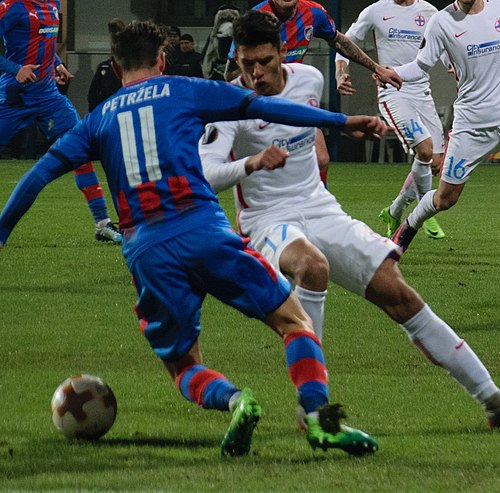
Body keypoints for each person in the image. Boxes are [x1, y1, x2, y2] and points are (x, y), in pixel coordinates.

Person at [0, 18, 399, 457]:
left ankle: (236, 400)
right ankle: (320, 420)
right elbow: (267, 108)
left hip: (147, 250)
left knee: (183, 366)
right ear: (162, 61)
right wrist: (340, 121)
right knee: (294, 321)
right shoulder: (184, 88)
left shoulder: (96, 120)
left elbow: (35, 178)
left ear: (115, 68)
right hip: (204, 229)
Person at [198, 10, 500, 430]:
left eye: (264, 61)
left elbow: (306, 120)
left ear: (282, 53)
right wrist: (250, 163)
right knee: (312, 267)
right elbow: (207, 173)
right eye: (247, 64)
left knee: (400, 296)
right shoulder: (228, 103)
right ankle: (313, 408)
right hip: (267, 221)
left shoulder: (308, 79)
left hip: (320, 208)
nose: (255, 73)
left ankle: (491, 398)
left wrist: (345, 127)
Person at [224, 0, 403, 188]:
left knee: (321, 158)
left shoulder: (314, 13)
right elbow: (230, 74)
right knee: (268, 169)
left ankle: (316, 208)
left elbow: (339, 41)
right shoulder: (255, 20)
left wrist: (376, 68)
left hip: (292, 94)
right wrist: (266, 74)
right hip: (260, 99)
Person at [0, 0, 121, 243]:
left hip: (49, 98)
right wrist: (16, 69)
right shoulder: (11, 7)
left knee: (82, 152)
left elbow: (43, 42)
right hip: (14, 98)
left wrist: (57, 64)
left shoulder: (53, 4)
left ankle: (103, 224)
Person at [391, 0, 500, 254]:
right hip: (473, 125)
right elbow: (420, 67)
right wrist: (391, 72)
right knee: (445, 199)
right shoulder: (441, 22)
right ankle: (407, 227)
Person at [335, 0, 446, 241]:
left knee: (435, 162)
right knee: (424, 149)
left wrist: (454, 65)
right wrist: (341, 71)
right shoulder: (376, 11)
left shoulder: (429, 12)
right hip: (392, 92)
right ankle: (425, 212)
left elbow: (445, 47)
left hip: (422, 93)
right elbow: (343, 42)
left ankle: (394, 211)